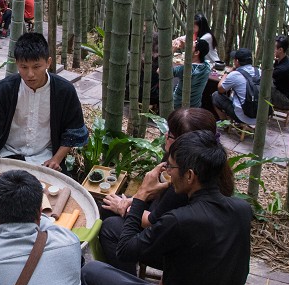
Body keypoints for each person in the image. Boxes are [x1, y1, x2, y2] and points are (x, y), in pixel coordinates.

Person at [82, 130, 250, 285]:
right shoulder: (241, 209)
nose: (167, 172)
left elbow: (125, 250)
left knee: (91, 272)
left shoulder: (181, 220)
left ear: (189, 176)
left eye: (170, 167)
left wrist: (142, 194)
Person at [99, 108, 234, 275]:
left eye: (170, 135)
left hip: (176, 249)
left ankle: (128, 282)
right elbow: (158, 199)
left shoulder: (185, 181)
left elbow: (156, 222)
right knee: (106, 205)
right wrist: (133, 200)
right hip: (167, 224)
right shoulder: (194, 163)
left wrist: (128, 205)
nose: (165, 136)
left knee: (111, 228)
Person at [0, 32, 88, 170]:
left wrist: (56, 159)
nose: (30, 74)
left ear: (48, 63)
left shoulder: (64, 91)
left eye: (36, 67)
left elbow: (73, 131)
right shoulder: (5, 88)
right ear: (17, 64)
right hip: (7, 156)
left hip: (45, 158)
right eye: (24, 67)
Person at [213, 47, 259, 128]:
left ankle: (224, 123)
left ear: (237, 61)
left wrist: (227, 72)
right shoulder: (259, 72)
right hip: (260, 116)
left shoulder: (235, 75)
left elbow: (220, 89)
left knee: (216, 96)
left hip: (242, 116)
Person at [171, 38, 211, 109]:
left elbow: (161, 72)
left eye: (194, 43)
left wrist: (172, 50)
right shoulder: (207, 66)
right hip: (195, 106)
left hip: (178, 106)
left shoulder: (186, 69)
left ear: (196, 52)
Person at [272, 35, 289, 111]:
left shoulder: (283, 68)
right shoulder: (284, 60)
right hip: (281, 93)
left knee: (262, 88)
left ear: (280, 49)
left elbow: (266, 78)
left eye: (274, 48)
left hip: (285, 101)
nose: (272, 50)